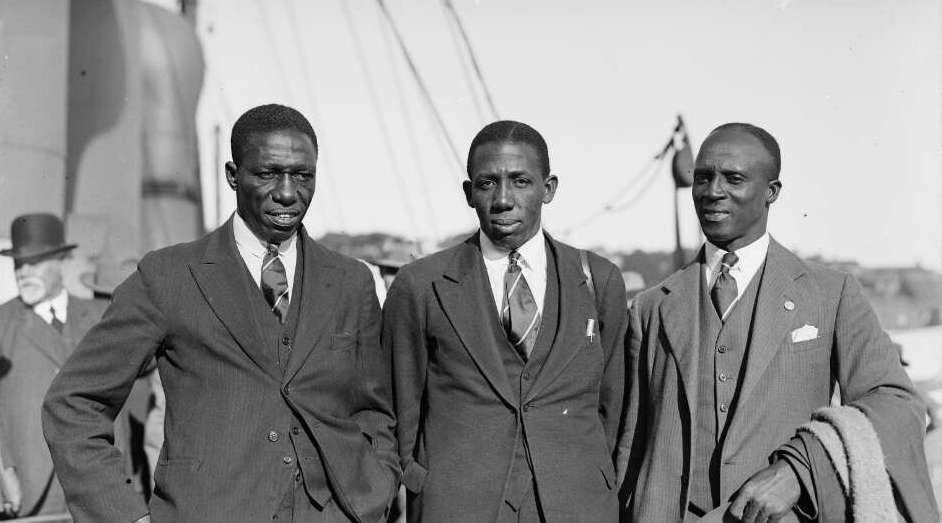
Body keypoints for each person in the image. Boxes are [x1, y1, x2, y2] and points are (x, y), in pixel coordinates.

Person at [42, 104, 399, 523]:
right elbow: (73, 402)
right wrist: (122, 515)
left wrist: (377, 487)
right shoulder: (168, 277)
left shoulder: (351, 282)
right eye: (268, 173)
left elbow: (375, 409)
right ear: (233, 175)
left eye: (303, 175)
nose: (288, 192)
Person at [616, 123, 939, 522]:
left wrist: (799, 469)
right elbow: (629, 446)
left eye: (733, 178)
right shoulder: (651, 306)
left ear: (772, 192)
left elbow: (896, 403)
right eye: (703, 177)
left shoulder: (830, 293)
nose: (713, 191)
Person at [384, 120, 628, 522]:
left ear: (548, 188)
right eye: (487, 184)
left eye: (520, 181)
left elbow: (613, 407)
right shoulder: (421, 284)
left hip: (575, 505)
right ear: (468, 193)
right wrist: (420, 485)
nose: (503, 199)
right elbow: (399, 410)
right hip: (457, 504)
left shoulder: (598, 280)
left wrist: (589, 479)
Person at [0, 213, 108, 518]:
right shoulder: (2, 323)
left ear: (62, 261)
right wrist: (3, 472)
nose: (24, 273)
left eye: (34, 262)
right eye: (18, 264)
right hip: (31, 490)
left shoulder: (102, 317)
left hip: (101, 484)